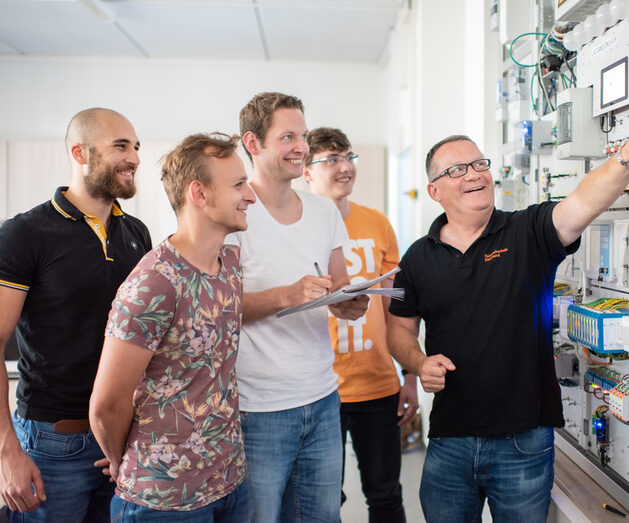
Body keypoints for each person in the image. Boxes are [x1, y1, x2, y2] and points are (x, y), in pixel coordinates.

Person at [386, 90, 629, 522]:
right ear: (435, 190)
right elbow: (399, 329)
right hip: (449, 440)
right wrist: (417, 362)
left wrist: (627, 156)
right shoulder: (418, 256)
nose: (475, 175)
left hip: (523, 441)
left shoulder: (527, 232)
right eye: (458, 169)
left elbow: (581, 203)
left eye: (480, 164)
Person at [89, 133, 255, 521]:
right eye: (238, 185)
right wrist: (122, 459)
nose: (250, 195)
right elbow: (107, 405)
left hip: (231, 483)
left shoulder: (229, 262)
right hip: (163, 500)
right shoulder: (154, 283)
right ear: (199, 193)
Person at [0, 108, 151, 521]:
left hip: (119, 442)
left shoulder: (136, 233)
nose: (134, 157)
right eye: (120, 145)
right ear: (79, 152)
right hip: (53, 446)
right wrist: (7, 452)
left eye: (136, 146)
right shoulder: (24, 234)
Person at [226, 93, 369, 522]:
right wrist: (286, 295)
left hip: (323, 398)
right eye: (287, 136)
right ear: (252, 143)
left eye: (303, 136)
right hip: (258, 409)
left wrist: (350, 303)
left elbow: (337, 287)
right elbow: (217, 312)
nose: (300, 147)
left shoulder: (325, 212)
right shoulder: (235, 213)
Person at [304, 127, 417, 522]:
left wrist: (410, 376)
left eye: (348, 157)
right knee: (322, 504)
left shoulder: (378, 224)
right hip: (317, 391)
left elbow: (396, 310)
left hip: (377, 385)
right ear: (306, 172)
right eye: (330, 159)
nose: (343, 167)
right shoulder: (297, 229)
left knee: (385, 496)